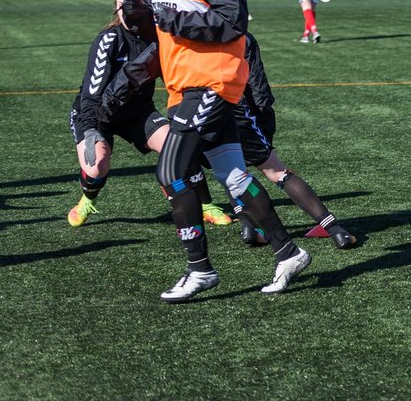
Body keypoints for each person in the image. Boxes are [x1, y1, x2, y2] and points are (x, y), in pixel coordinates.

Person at [124, 0, 310, 301]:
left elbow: (232, 22)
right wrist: (140, 35)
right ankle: (288, 251)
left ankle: (200, 270)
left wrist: (167, 16)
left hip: (211, 84)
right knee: (234, 177)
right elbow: (166, 34)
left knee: (170, 172)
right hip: (183, 88)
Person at [102, 31, 358, 250]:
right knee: (275, 170)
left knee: (228, 172)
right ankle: (334, 229)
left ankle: (249, 228)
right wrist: (265, 122)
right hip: (232, 109)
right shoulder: (236, 35)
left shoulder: (171, 37)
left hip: (186, 115)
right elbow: (258, 86)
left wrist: (106, 103)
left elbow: (137, 71)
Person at [67, 0, 232, 229]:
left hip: (137, 112)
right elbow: (91, 91)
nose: (127, 10)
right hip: (97, 113)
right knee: (97, 166)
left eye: (134, 4)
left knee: (178, 146)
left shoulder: (159, 38)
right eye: (122, 5)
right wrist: (90, 128)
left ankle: (205, 205)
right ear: (115, 9)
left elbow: (175, 78)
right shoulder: (109, 39)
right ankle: (86, 200)